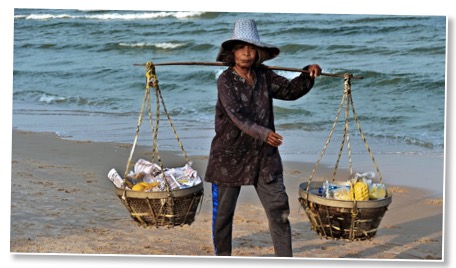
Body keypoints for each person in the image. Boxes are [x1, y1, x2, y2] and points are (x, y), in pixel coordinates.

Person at [204, 19, 321, 257]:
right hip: (230, 156)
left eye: (251, 48)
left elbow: (289, 91)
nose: (247, 52)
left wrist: (308, 73)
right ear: (232, 52)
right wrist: (264, 133)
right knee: (224, 216)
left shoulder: (264, 76)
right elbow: (236, 116)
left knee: (279, 208)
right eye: (241, 47)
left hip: (263, 155)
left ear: (258, 52)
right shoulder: (225, 80)